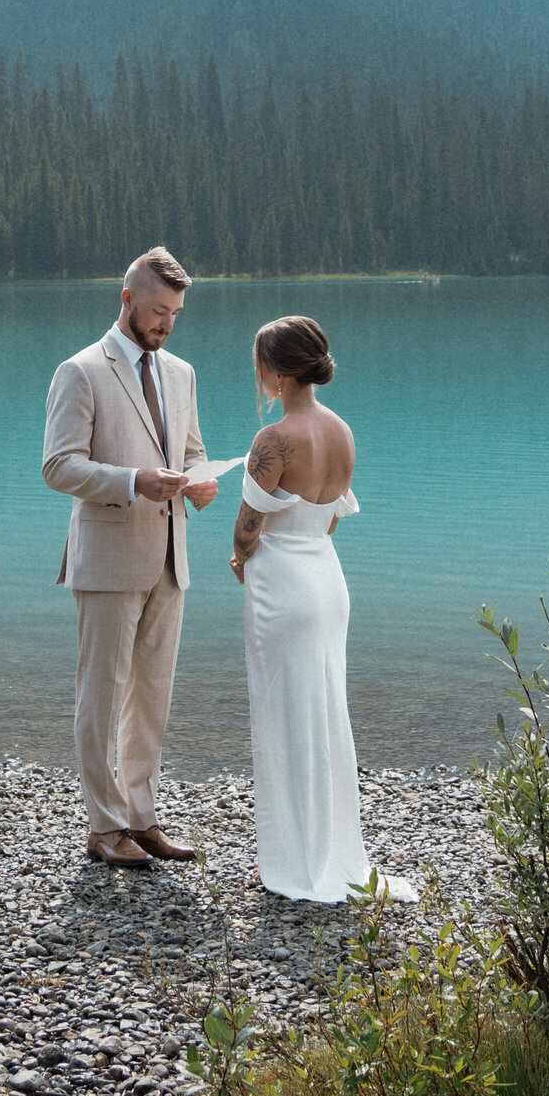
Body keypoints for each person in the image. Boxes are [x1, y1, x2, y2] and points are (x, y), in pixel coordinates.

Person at [43, 247, 219, 869]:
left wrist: (200, 481)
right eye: (156, 311)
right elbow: (58, 466)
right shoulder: (82, 370)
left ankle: (141, 818)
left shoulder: (182, 373)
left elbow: (192, 450)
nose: (166, 323)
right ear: (126, 301)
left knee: (153, 696)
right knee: (101, 694)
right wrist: (131, 482)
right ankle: (103, 825)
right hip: (109, 556)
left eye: (173, 313)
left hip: (170, 557)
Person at [230, 314, 416, 903]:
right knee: (326, 717)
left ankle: (295, 859)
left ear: (278, 372)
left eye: (261, 365)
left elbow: (248, 525)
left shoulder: (274, 440)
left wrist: (240, 558)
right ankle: (330, 846)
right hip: (328, 582)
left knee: (285, 718)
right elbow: (334, 514)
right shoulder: (342, 431)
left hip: (283, 586)